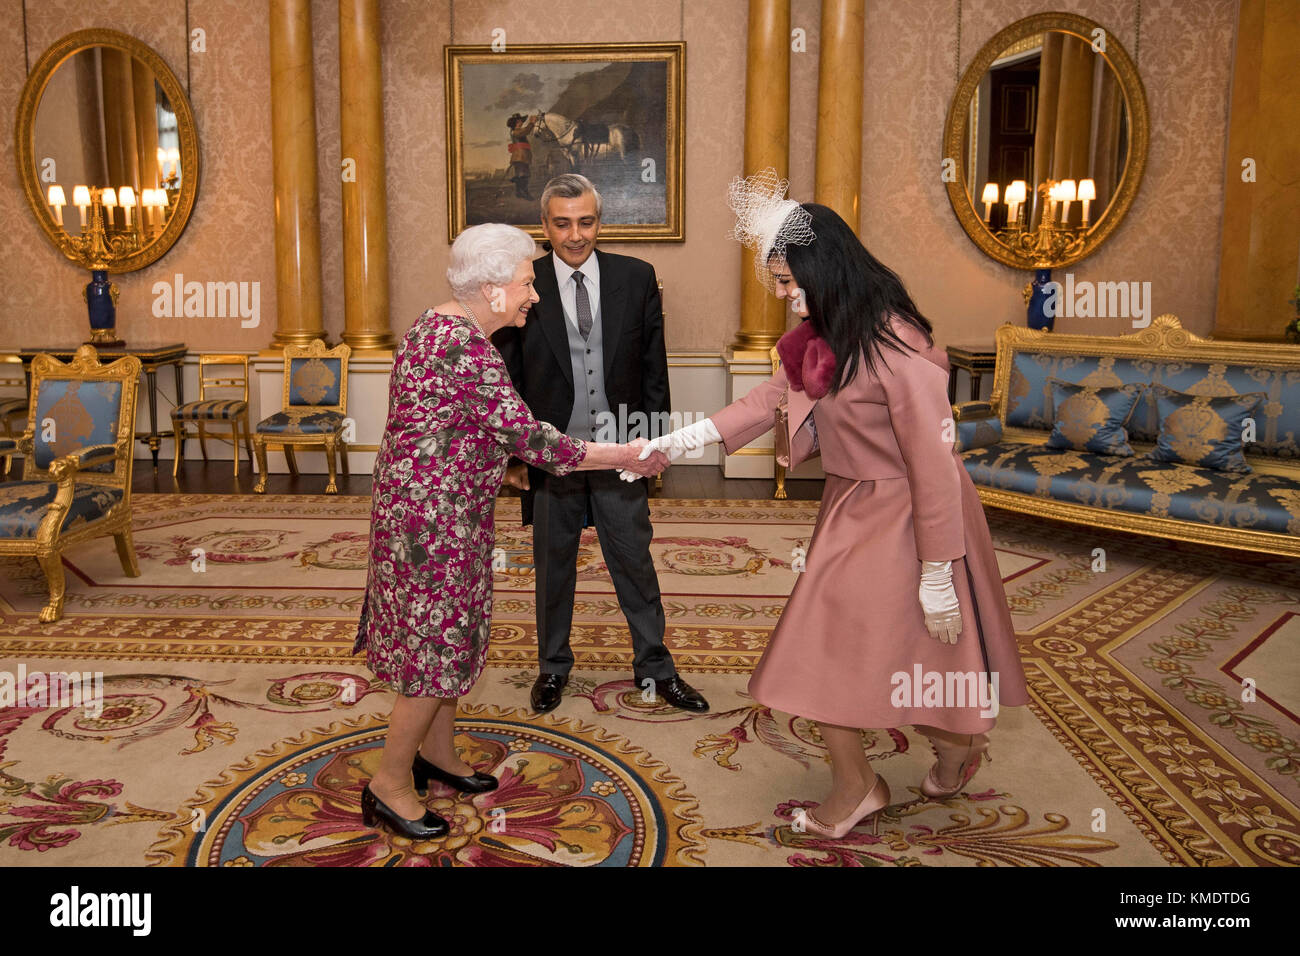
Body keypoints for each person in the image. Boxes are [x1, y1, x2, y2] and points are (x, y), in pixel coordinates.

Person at [635, 170, 1029, 838]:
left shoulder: (901, 349)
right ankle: (889, 771)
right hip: (853, 508)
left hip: (912, 513)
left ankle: (928, 755)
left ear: (828, 268)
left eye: (791, 282)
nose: (787, 300)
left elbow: (934, 464)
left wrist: (939, 570)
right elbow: (767, 402)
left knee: (857, 652)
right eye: (780, 284)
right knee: (852, 654)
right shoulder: (826, 333)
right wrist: (680, 441)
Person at [353, 222, 669, 839]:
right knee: (435, 649)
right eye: (527, 282)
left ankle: (435, 756)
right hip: (432, 524)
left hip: (432, 511)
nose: (534, 294)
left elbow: (467, 430)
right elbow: (535, 440)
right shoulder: (462, 346)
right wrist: (624, 455)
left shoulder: (439, 325)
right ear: (493, 287)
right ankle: (389, 783)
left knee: (448, 638)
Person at [492, 174, 709, 715]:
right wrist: (516, 455)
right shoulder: (524, 282)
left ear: (599, 221)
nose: (574, 235)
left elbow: (653, 370)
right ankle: (552, 668)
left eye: (584, 222)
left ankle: (656, 669)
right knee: (553, 565)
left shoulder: (636, 279)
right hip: (551, 456)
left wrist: (655, 445)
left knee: (634, 561)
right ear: (544, 226)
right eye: (561, 223)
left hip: (622, 450)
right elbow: (509, 376)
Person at [506, 113, 537, 199]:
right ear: (515, 123)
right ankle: (525, 193)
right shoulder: (516, 131)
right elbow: (526, 131)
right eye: (519, 121)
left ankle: (518, 192)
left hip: (521, 156)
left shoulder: (517, 131)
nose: (521, 122)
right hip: (520, 156)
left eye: (521, 121)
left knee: (521, 174)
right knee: (524, 175)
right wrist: (531, 123)